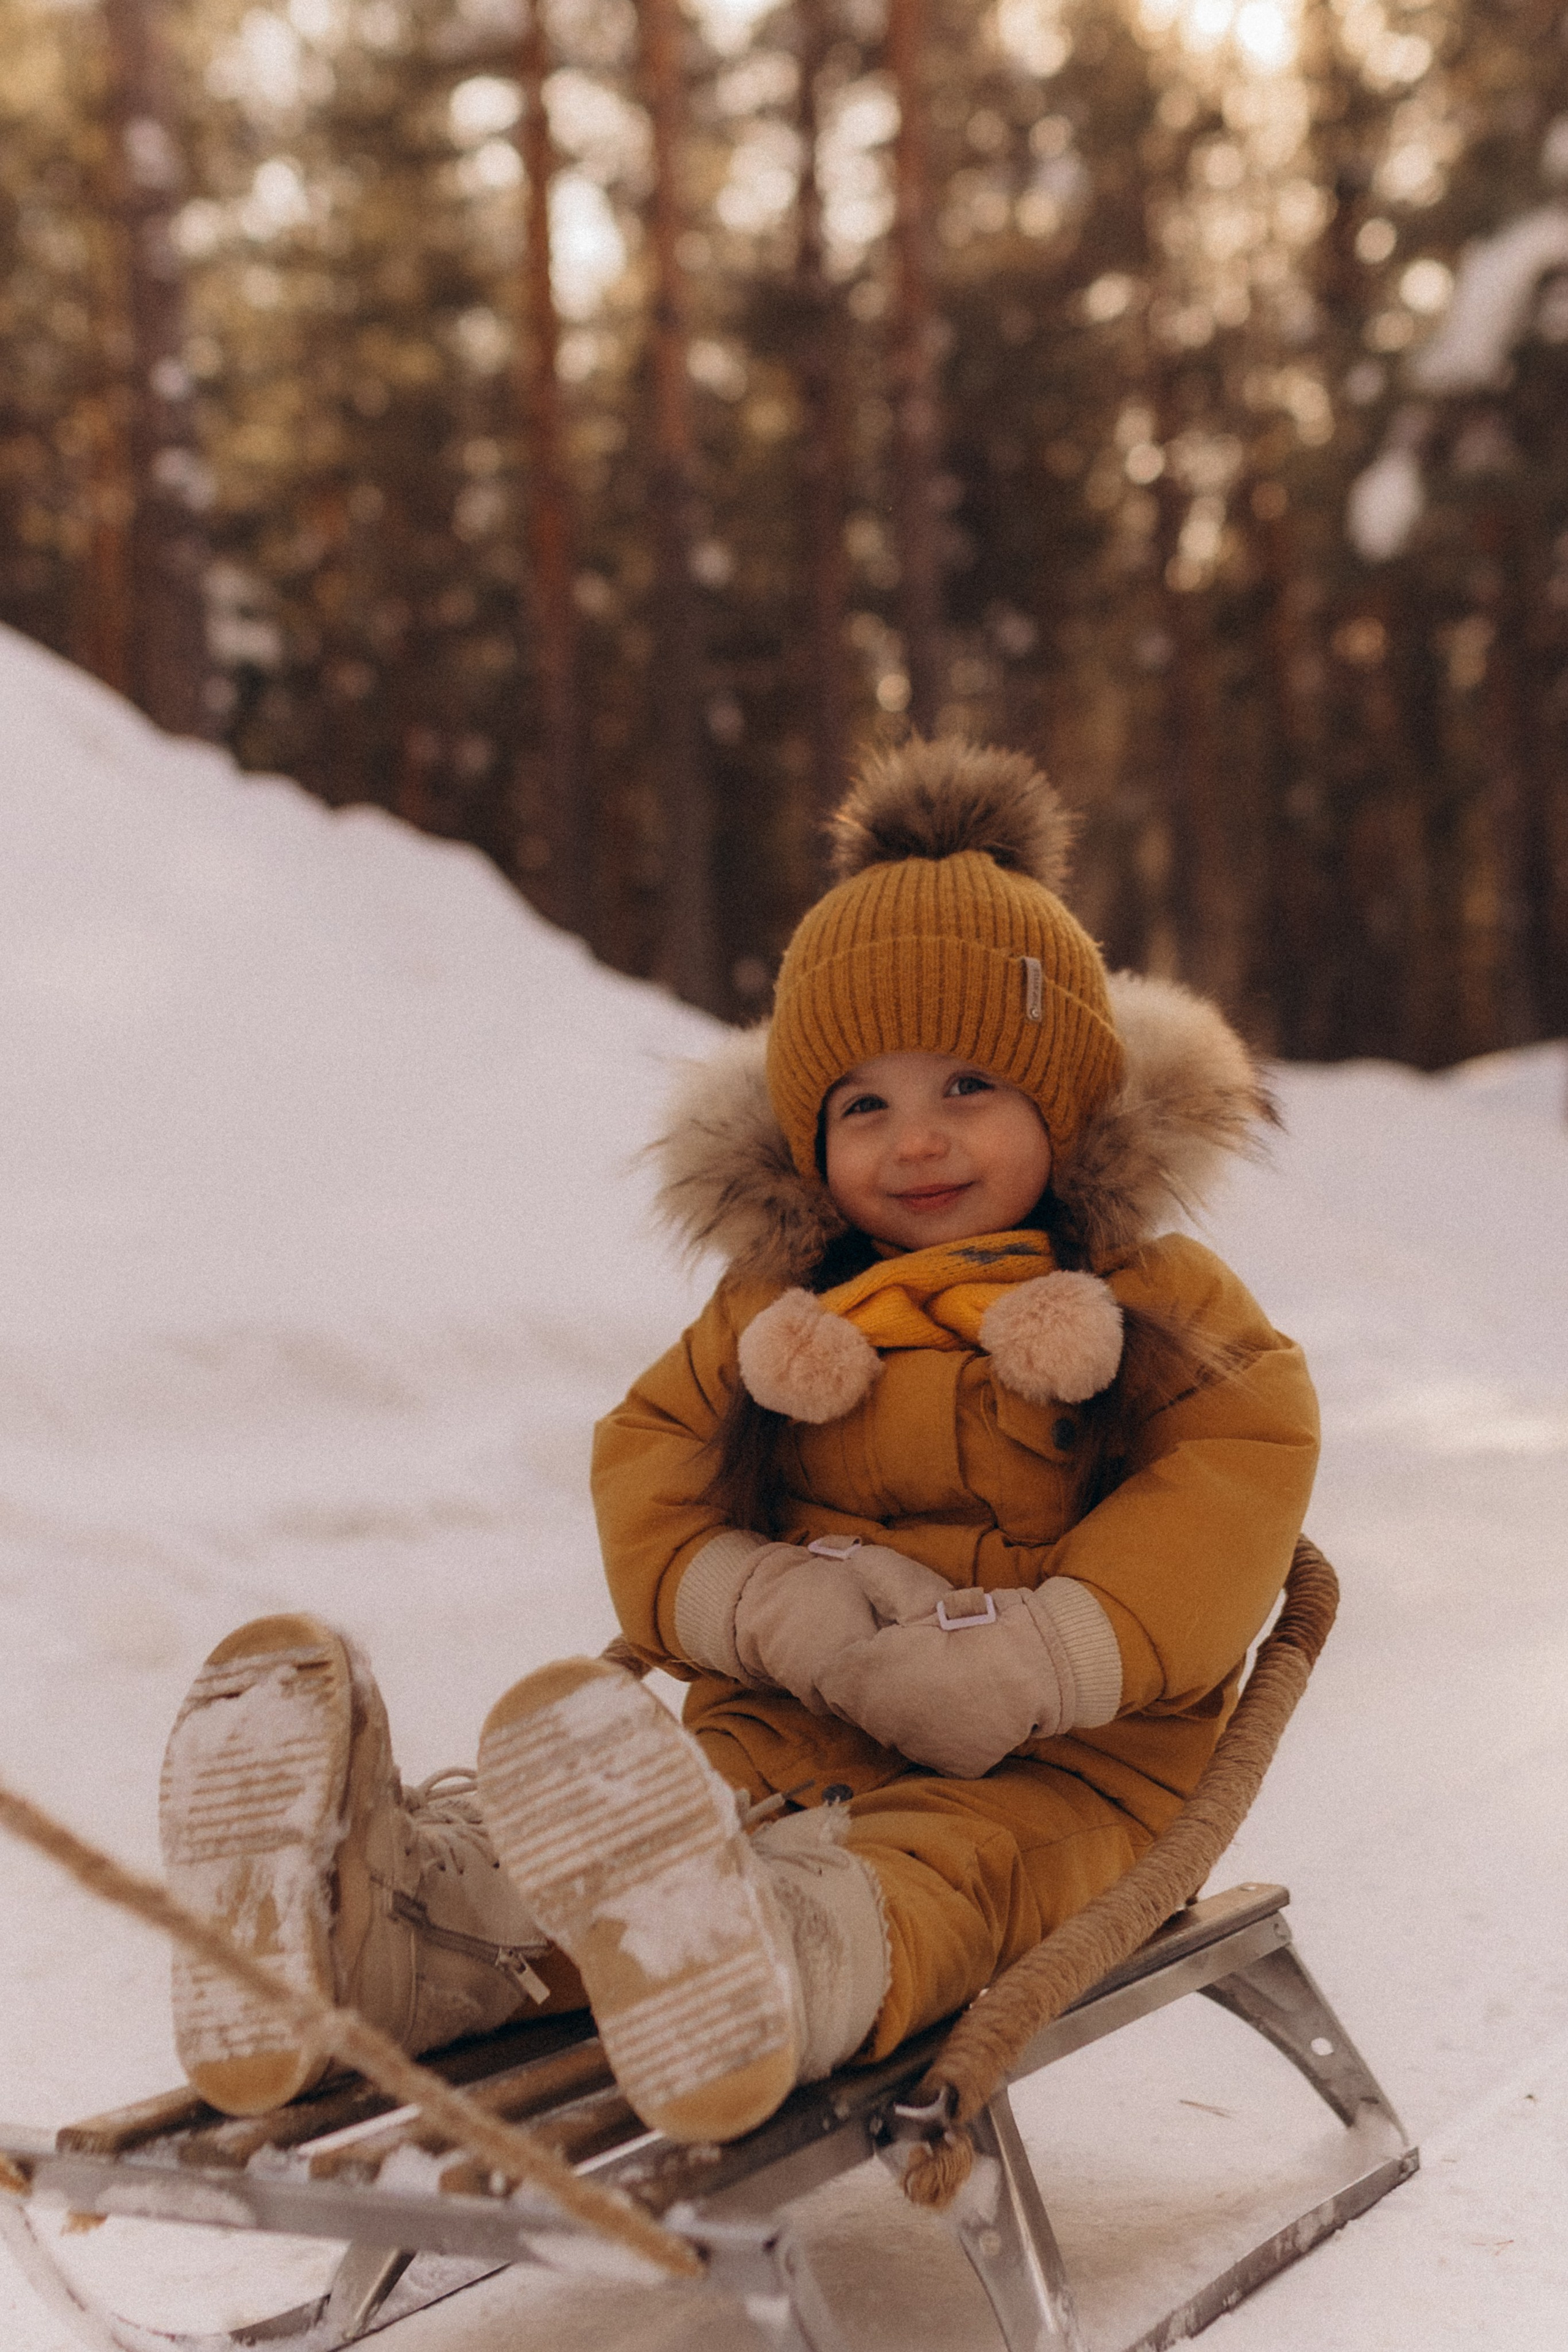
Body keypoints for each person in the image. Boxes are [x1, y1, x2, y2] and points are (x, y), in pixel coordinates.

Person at [158, 739, 1318, 2149]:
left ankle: (765, 1970)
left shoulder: (1153, 1301)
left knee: (931, 1882)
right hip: (778, 1738)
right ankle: (386, 1923)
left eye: (967, 1085)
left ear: (1064, 1098)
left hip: (1051, 1775)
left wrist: (1039, 1653)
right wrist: (757, 1600)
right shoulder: (772, 1311)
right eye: (862, 1105)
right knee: (633, 1839)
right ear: (806, 1132)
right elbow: (648, 1456)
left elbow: (1236, 1471)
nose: (916, 1141)